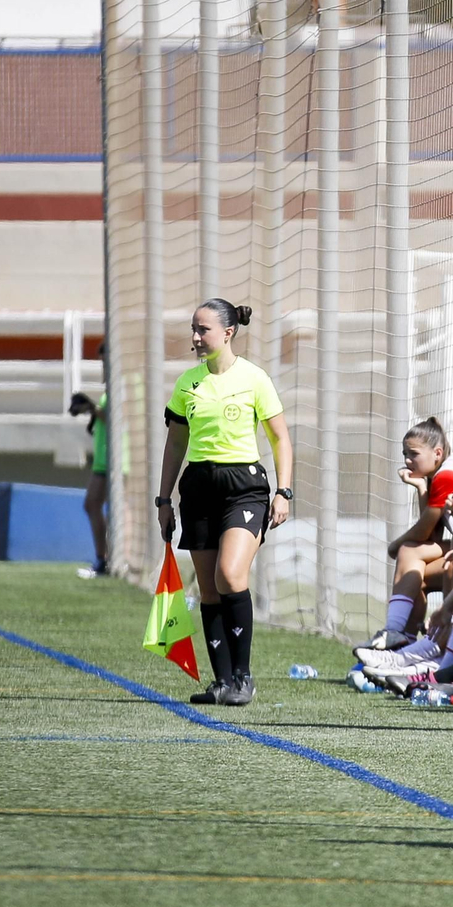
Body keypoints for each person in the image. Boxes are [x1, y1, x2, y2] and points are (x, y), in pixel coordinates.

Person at [155, 300, 293, 707]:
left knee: (230, 576)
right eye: (194, 329)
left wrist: (283, 492)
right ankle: (222, 682)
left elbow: (280, 438)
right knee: (210, 589)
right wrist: (164, 499)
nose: (196, 338)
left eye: (204, 330)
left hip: (244, 486)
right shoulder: (187, 384)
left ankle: (244, 678)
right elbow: (176, 443)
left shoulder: (254, 378)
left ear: (228, 332)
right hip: (197, 487)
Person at [356, 416, 453, 652]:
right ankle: (402, 642)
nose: (407, 460)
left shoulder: (448, 475)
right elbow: (432, 534)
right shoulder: (437, 476)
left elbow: (423, 533)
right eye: (405, 454)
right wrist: (421, 487)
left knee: (408, 550)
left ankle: (404, 635)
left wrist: (395, 545)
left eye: (413, 454)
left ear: (437, 453)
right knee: (416, 574)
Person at [69, 364, 109, 577]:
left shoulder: (123, 386)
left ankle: (108, 560)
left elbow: (115, 418)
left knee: (101, 506)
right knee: (92, 504)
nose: (103, 365)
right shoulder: (111, 388)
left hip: (115, 458)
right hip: (104, 458)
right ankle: (103, 560)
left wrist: (91, 408)